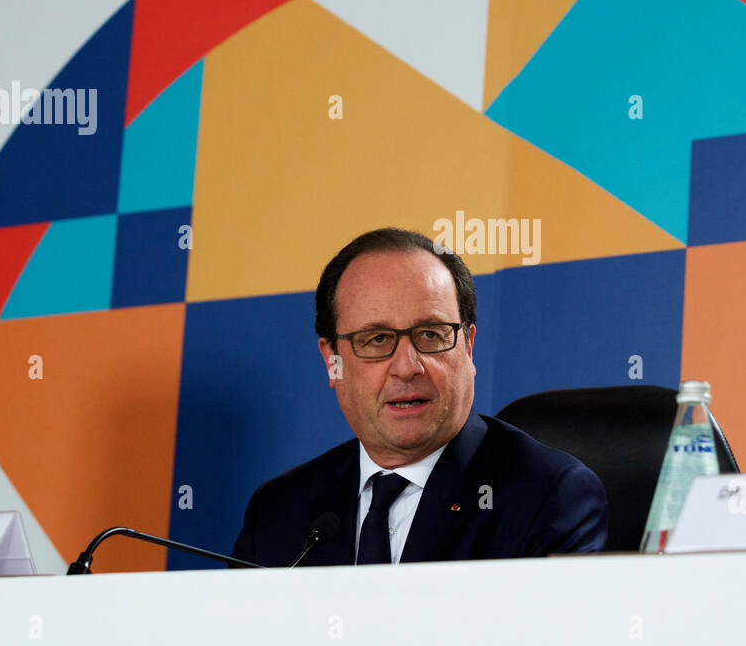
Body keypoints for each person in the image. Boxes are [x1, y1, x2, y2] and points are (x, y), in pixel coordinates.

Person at [232, 228, 609, 566]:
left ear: (469, 347)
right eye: (376, 339)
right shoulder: (278, 511)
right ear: (332, 361)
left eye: (431, 334)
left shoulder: (548, 497)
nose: (407, 366)